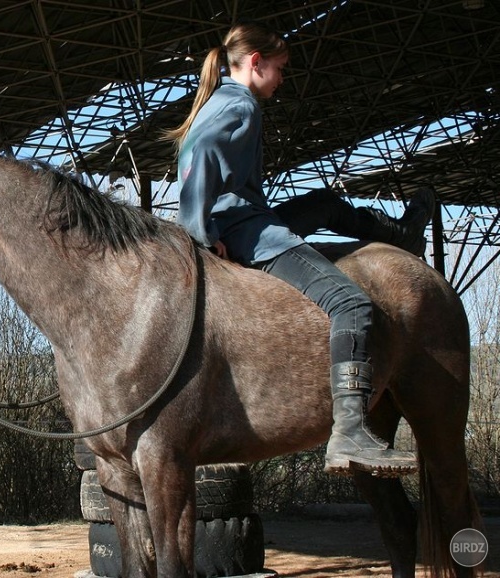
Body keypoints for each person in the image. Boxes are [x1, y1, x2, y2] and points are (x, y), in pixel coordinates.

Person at [169, 22, 435, 476]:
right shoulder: (240, 108)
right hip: (245, 228)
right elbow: (200, 156)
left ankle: (401, 234)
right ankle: (349, 430)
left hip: (249, 214)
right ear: (255, 63)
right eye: (280, 68)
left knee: (323, 204)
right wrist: (197, 231)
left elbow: (197, 152)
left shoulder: (220, 101)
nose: (282, 79)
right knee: (351, 303)